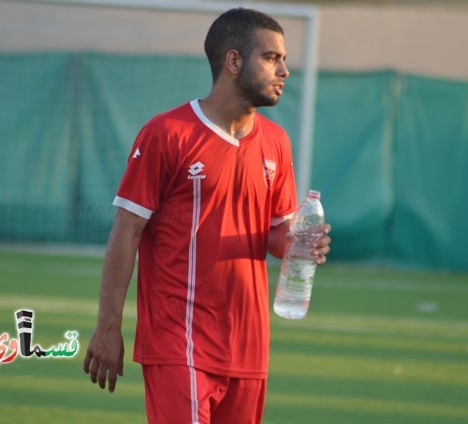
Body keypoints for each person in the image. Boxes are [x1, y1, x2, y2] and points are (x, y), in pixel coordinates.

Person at [83, 7, 332, 424]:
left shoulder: (277, 142)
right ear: (233, 61)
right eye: (271, 58)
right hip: (178, 341)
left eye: (284, 58)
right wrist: (108, 326)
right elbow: (126, 233)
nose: (285, 69)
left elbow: (274, 233)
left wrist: (299, 245)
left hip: (248, 347)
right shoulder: (166, 134)